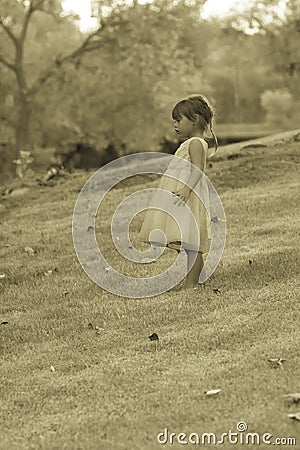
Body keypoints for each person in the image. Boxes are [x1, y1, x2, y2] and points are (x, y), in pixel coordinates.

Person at [139, 94, 218, 289]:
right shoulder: (190, 143)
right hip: (180, 195)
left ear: (195, 120)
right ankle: (193, 279)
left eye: (178, 120)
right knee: (184, 239)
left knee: (192, 243)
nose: (175, 125)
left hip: (188, 196)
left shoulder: (196, 143)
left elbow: (198, 169)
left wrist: (186, 189)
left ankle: (193, 283)